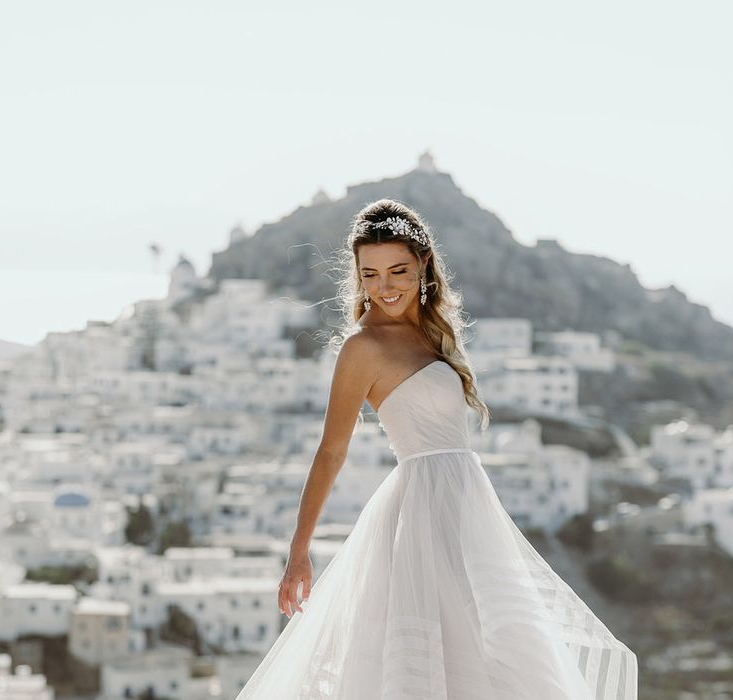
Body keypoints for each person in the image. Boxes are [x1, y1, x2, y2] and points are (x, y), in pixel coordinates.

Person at [236, 199, 638, 699]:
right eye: (371, 274)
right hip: (419, 510)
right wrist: (299, 552)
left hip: (467, 505)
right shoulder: (362, 347)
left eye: (398, 270)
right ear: (358, 277)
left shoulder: (431, 334)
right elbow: (330, 451)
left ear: (423, 263)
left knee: (493, 652)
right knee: (436, 659)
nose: (385, 287)